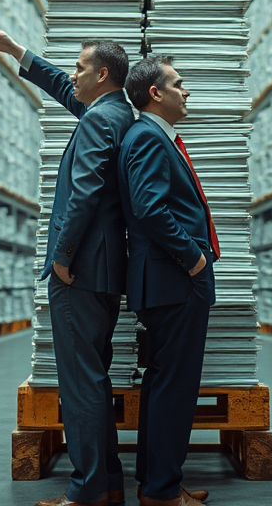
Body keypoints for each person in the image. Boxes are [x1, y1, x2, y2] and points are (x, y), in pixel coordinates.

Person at [0, 25, 134, 506]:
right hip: (104, 269)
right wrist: (16, 50)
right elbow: (64, 88)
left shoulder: (97, 121)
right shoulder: (116, 113)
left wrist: (61, 258)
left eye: (81, 67)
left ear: (102, 74)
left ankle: (86, 492)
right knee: (94, 378)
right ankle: (105, 485)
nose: (73, 74)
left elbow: (83, 195)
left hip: (79, 270)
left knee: (80, 384)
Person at [118, 56, 217, 506]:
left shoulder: (156, 138)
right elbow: (150, 209)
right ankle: (160, 490)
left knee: (164, 386)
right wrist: (195, 260)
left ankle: (159, 483)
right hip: (174, 281)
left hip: (169, 281)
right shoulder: (147, 139)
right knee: (174, 388)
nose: (187, 90)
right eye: (179, 83)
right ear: (155, 92)